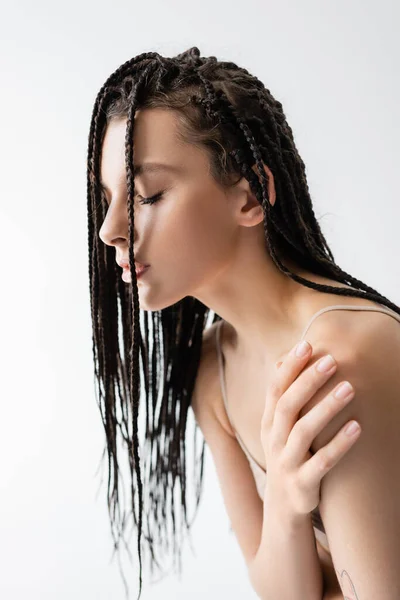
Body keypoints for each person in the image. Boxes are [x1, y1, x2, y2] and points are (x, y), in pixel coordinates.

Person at [86, 46, 400, 599]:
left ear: (252, 193)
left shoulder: (337, 365)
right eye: (109, 199)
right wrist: (283, 505)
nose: (111, 229)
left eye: (145, 195)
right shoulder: (214, 374)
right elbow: (282, 590)